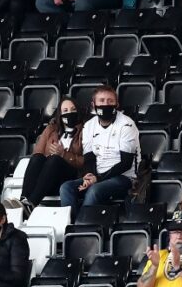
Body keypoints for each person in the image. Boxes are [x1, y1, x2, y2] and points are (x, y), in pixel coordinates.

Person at [60, 86, 140, 220]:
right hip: (99, 176)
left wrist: (98, 180)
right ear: (93, 105)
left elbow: (126, 163)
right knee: (66, 187)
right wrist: (90, 176)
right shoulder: (89, 126)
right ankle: (69, 227)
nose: (106, 104)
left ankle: (81, 228)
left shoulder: (127, 124)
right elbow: (89, 158)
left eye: (110, 101)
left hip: (124, 178)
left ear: (117, 104)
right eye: (101, 101)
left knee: (94, 190)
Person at [22, 99, 84, 209]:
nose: (69, 113)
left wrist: (63, 154)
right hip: (48, 177)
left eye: (73, 109)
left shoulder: (85, 130)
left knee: (55, 159)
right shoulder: (51, 129)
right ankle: (23, 199)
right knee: (37, 158)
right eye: (65, 110)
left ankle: (32, 203)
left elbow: (84, 162)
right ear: (60, 114)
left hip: (70, 178)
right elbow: (38, 152)